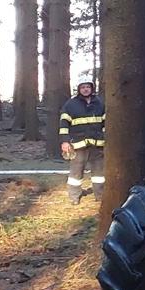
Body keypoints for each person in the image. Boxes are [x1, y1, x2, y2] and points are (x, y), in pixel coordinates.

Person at [58, 74, 106, 204]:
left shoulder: (100, 103)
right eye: (83, 87)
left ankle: (100, 196)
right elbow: (63, 125)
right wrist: (65, 141)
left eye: (88, 87)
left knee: (99, 174)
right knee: (76, 173)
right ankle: (74, 197)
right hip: (78, 145)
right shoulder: (70, 104)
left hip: (97, 145)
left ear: (92, 88)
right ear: (79, 89)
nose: (85, 89)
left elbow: (106, 123)